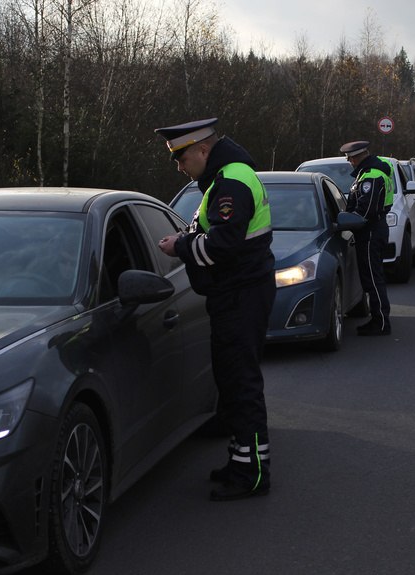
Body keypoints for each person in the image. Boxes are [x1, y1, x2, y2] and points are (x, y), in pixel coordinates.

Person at [155, 118, 275, 501]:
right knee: (232, 382)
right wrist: (190, 238)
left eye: (182, 158)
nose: (180, 167)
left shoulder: (232, 182)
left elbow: (224, 244)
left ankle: (252, 474)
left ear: (203, 150)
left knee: (242, 385)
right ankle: (240, 461)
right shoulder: (223, 178)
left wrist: (181, 246)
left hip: (242, 295)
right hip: (236, 294)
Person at [340, 140, 392, 336]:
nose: (349, 162)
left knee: (373, 278)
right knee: (372, 277)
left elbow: (365, 211)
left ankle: (380, 322)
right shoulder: (368, 172)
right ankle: (378, 319)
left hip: (371, 232)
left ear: (358, 156)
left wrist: (347, 220)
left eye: (350, 158)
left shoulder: (372, 176)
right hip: (373, 230)